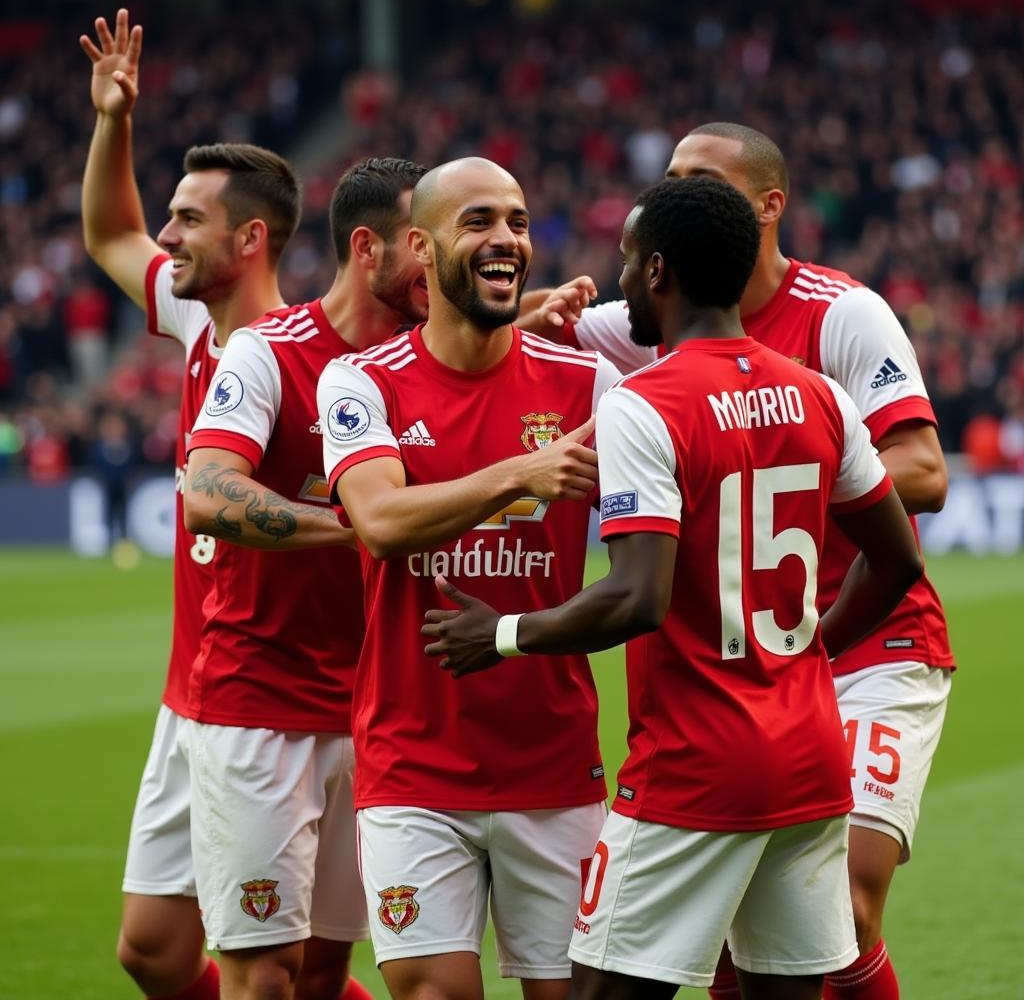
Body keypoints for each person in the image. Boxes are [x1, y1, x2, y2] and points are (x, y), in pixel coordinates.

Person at [425, 176, 925, 1000]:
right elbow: (899, 561)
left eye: (625, 262)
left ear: (657, 271)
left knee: (595, 993)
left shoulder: (645, 404)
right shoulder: (820, 396)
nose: (617, 283)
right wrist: (802, 657)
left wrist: (506, 634)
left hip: (696, 766)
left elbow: (636, 598)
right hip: (809, 756)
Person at [316, 157, 621, 1000]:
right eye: (479, 221)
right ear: (421, 246)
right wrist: (524, 473)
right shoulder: (360, 381)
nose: (506, 240)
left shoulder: (590, 383)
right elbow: (378, 523)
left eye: (519, 224)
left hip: (553, 764)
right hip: (416, 763)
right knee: (432, 991)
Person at [80, 9, 303, 1000]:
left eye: (190, 220)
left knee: (280, 962)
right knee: (154, 950)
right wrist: (113, 121)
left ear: (250, 238)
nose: (166, 237)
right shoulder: (193, 317)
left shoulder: (317, 353)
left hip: (281, 697)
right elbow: (108, 231)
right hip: (191, 689)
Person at [180, 158, 430, 1000]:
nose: (445, 262)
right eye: (424, 243)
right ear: (368, 248)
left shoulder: (421, 364)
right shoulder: (268, 352)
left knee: (327, 970)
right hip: (260, 709)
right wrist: (353, 528)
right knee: (261, 976)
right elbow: (208, 493)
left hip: (375, 713)